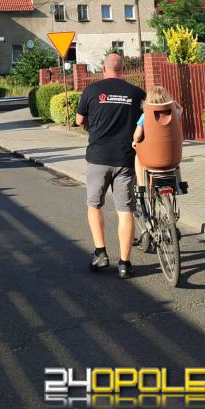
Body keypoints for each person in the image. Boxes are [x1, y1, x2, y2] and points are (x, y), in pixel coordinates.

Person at [76, 53, 146, 279]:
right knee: (125, 210)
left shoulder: (91, 91)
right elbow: (147, 119)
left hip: (98, 157)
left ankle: (100, 254)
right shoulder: (136, 93)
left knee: (94, 204)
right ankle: (125, 264)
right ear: (122, 69)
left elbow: (79, 120)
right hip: (125, 159)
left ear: (103, 69)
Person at [132, 85, 183, 187]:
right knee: (175, 157)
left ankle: (141, 186)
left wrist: (135, 141)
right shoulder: (175, 114)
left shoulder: (145, 116)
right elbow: (181, 109)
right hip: (172, 159)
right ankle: (179, 182)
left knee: (138, 157)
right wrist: (174, 104)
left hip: (152, 159)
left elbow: (137, 135)